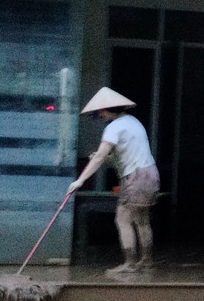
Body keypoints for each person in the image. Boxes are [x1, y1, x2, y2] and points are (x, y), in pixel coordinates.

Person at [67, 87, 160, 275]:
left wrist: (80, 180)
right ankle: (146, 261)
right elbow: (127, 153)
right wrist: (104, 157)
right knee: (142, 220)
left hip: (135, 177)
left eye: (100, 112)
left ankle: (130, 263)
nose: (100, 115)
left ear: (108, 109)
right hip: (150, 173)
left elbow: (100, 157)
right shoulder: (133, 121)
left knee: (122, 220)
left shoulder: (113, 128)